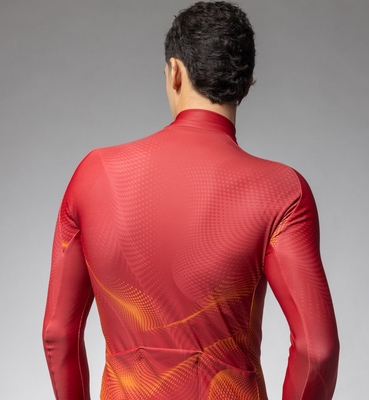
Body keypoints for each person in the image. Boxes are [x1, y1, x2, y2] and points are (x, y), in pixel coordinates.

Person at [43, 2, 339, 399]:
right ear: (247, 80)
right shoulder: (282, 191)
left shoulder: (95, 174)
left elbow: (58, 334)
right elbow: (317, 351)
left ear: (175, 72)